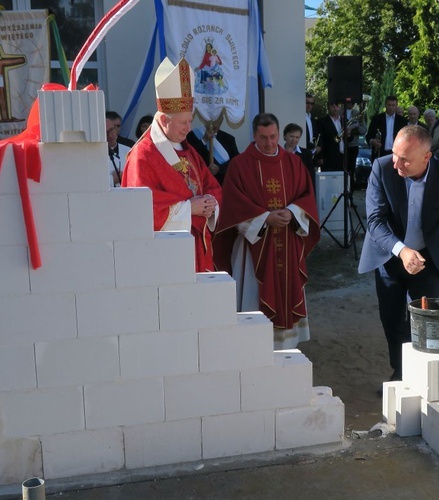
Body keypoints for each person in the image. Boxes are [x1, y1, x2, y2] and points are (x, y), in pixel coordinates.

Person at [358, 125, 439, 383]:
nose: (397, 163)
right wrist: (402, 251)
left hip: (428, 258)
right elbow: (374, 221)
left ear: (426, 157)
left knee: (424, 317)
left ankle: (421, 375)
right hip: (389, 256)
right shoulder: (382, 168)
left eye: (405, 159)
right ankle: (400, 373)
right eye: (395, 154)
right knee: (392, 319)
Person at [213, 113, 320, 350]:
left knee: (286, 289)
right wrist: (265, 218)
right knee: (253, 293)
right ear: (254, 136)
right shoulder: (240, 165)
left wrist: (292, 212)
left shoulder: (293, 163)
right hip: (254, 246)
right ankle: (253, 345)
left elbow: (307, 197)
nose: (270, 143)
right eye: (263, 138)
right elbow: (232, 206)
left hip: (288, 240)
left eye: (273, 137)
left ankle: (286, 345)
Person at [122, 57, 221, 272]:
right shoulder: (143, 155)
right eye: (183, 122)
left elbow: (211, 185)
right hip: (163, 258)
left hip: (197, 248)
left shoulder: (188, 150)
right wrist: (188, 209)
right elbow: (141, 209)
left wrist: (211, 203)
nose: (189, 127)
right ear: (165, 120)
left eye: (190, 120)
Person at [366, 95, 407, 161]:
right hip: (380, 153)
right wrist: (372, 141)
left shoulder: (402, 121)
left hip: (396, 154)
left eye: (393, 105)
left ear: (396, 106)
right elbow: (368, 135)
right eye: (389, 105)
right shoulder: (377, 119)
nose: (391, 108)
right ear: (385, 105)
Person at [317, 101, 345, 171]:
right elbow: (321, 140)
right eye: (332, 106)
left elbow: (350, 139)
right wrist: (320, 157)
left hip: (344, 157)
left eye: (337, 105)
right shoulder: (322, 122)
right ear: (328, 107)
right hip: (329, 157)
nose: (335, 108)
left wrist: (349, 134)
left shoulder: (344, 121)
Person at [106, 115, 131, 187]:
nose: (110, 135)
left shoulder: (128, 151)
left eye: (111, 130)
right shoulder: (93, 155)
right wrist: (112, 179)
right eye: (106, 132)